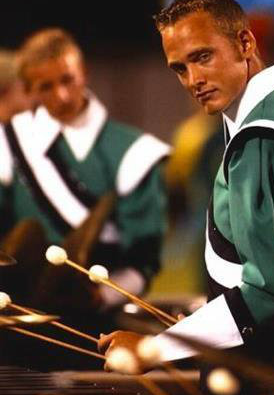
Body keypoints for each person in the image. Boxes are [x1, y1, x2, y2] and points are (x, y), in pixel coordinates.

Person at [99, 0, 274, 395]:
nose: (193, 80)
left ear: (245, 43)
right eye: (179, 68)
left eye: (202, 57)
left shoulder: (263, 139)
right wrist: (209, 322)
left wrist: (153, 349)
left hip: (261, 373)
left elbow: (267, 294)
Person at [0, 28, 170, 325]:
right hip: (20, 319)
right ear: (28, 90)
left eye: (68, 80)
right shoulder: (8, 143)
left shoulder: (134, 152)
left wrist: (103, 295)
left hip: (98, 321)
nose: (62, 96)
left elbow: (143, 261)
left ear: (84, 73)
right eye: (45, 86)